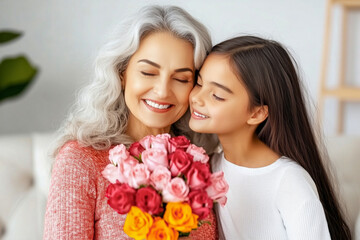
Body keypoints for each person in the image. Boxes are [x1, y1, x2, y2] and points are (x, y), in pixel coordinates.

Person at [43, 5, 218, 239]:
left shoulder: (201, 163)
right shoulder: (81, 161)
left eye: (181, 78)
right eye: (148, 73)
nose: (163, 91)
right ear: (122, 74)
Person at [189, 35, 351, 239]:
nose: (196, 98)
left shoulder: (288, 181)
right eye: (199, 83)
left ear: (257, 113)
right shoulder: (206, 167)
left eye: (217, 95)